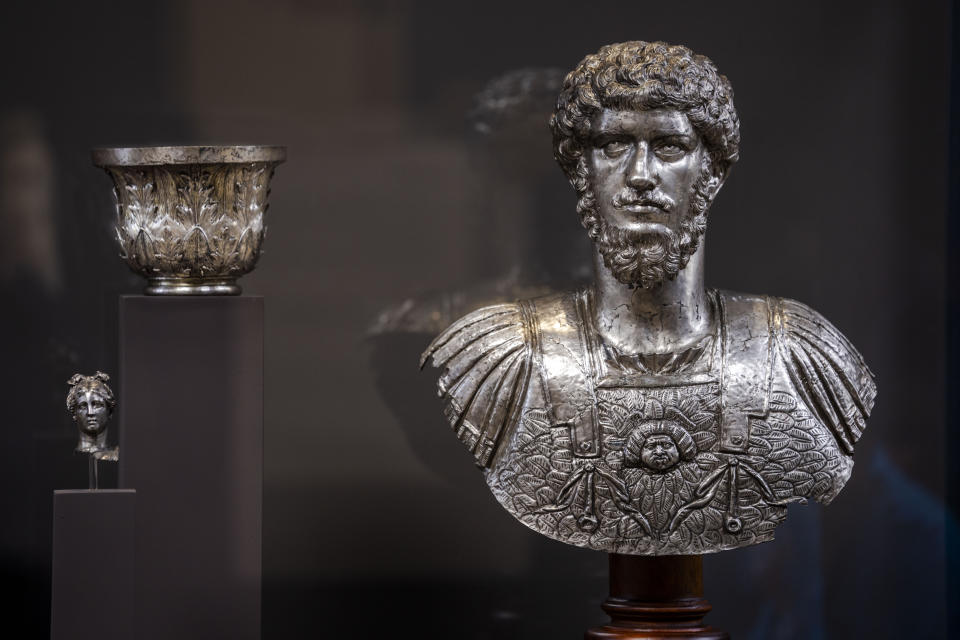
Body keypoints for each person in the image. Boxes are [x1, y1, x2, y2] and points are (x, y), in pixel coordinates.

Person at [421, 41, 876, 555]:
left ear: (713, 171)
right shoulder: (500, 357)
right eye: (614, 144)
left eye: (668, 146)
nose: (640, 175)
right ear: (579, 171)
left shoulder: (798, 354)